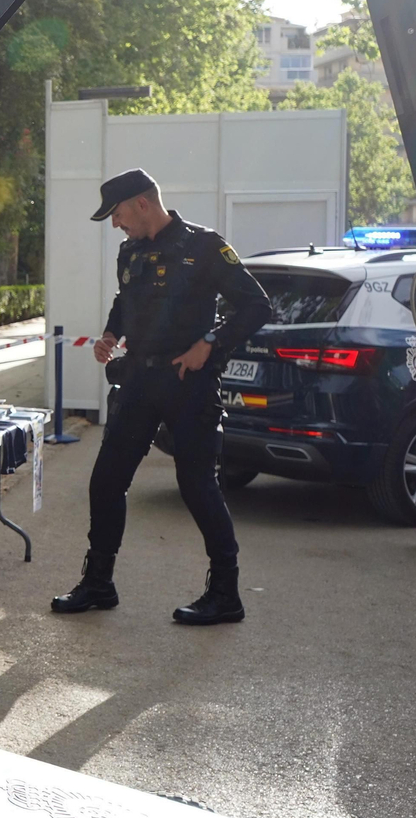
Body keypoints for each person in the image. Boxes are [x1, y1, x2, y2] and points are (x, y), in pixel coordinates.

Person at [52, 169, 271, 624]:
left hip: (188, 383)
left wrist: (210, 343)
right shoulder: (130, 250)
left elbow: (257, 305)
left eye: (116, 213)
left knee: (197, 486)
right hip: (138, 381)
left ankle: (226, 594)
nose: (115, 224)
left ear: (142, 203)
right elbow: (125, 299)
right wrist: (112, 332)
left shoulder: (204, 246)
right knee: (106, 481)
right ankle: (98, 583)